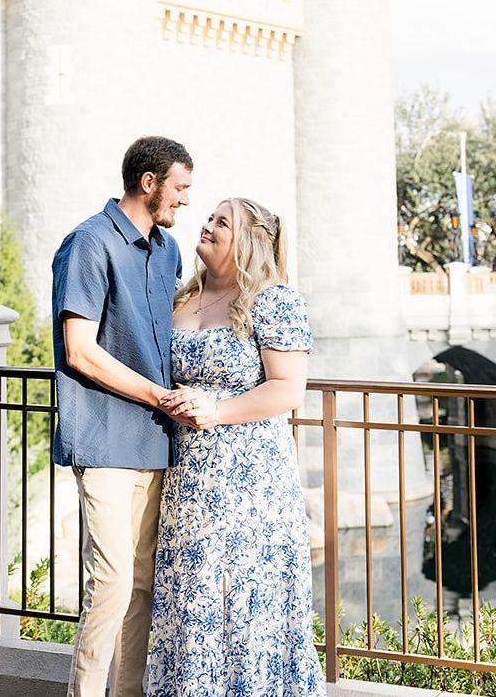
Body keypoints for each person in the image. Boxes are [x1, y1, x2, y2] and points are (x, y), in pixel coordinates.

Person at [144, 197, 325, 696]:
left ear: (248, 242)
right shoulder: (181, 297)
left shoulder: (274, 301)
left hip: (252, 485)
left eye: (221, 222)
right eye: (209, 217)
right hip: (187, 480)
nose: (206, 225)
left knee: (246, 603)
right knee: (192, 598)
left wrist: (216, 410)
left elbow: (287, 389)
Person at [51, 135, 194, 697]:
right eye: (180, 188)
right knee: (110, 583)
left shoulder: (169, 251)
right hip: (105, 438)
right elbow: (80, 351)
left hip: (156, 442)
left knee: (140, 585)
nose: (185, 200)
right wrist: (159, 397)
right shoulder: (88, 243)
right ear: (148, 182)